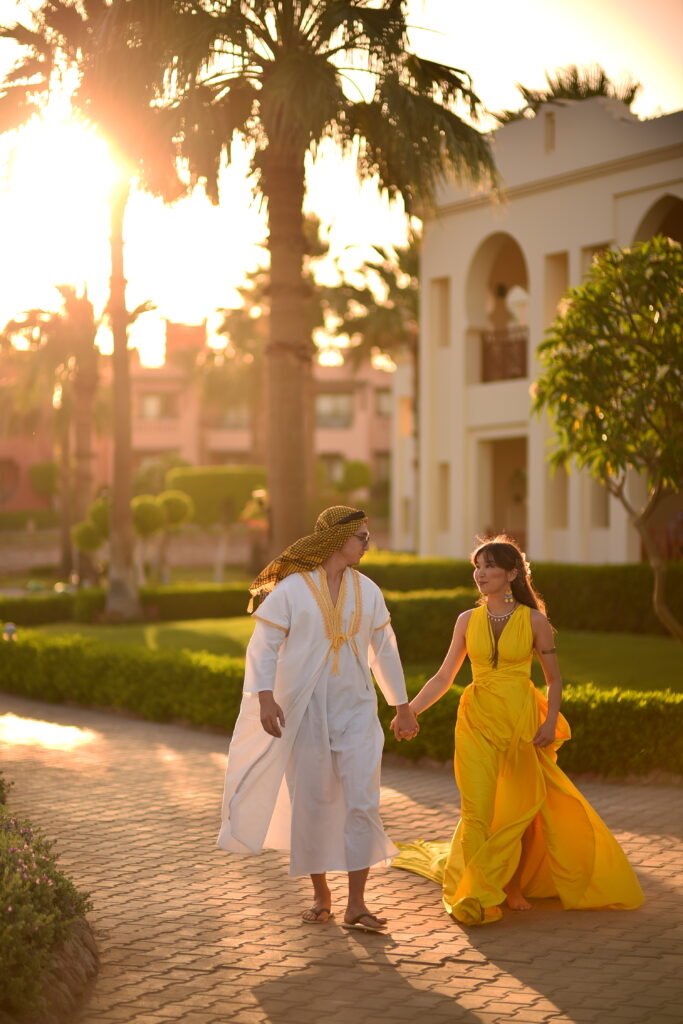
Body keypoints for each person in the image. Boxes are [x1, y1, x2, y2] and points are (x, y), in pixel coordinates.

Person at [392, 536, 644, 926]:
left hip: (522, 723)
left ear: (512, 573)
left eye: (490, 566)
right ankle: (474, 892)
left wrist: (548, 722)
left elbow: (554, 681)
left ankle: (513, 885)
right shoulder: (465, 621)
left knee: (520, 812)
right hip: (476, 720)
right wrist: (409, 711)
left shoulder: (534, 621)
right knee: (477, 810)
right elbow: (444, 676)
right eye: (477, 567)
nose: (481, 574)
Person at [217, 505, 419, 933]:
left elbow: (384, 650)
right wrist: (265, 698)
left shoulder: (369, 591)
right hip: (303, 711)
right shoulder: (292, 590)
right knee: (312, 803)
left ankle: (357, 905)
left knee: (363, 802)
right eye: (361, 536)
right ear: (336, 539)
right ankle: (321, 894)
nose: (367, 543)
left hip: (358, 711)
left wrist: (400, 705)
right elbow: (263, 646)